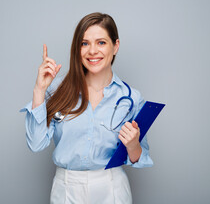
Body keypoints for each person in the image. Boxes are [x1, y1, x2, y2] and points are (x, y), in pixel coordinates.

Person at [20, 12, 153, 204]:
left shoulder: (131, 97)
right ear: (77, 48)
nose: (92, 51)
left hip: (111, 188)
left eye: (101, 42)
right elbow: (35, 143)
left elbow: (140, 156)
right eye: (84, 43)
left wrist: (133, 145)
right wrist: (39, 90)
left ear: (115, 46)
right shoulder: (58, 90)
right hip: (66, 188)